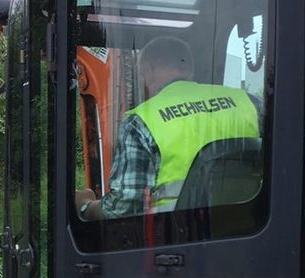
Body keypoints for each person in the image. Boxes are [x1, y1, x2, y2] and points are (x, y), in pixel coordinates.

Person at [77, 36, 261, 220]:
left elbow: (123, 209)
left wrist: (86, 207)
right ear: (189, 70)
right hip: (249, 230)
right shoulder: (249, 103)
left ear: (147, 70)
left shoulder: (140, 122)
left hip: (178, 239)